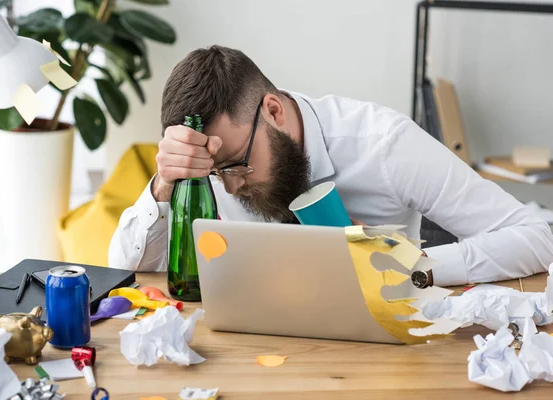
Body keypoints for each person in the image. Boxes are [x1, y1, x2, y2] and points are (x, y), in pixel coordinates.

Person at [108, 45, 553, 286]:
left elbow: (537, 237)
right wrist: (165, 184)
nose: (230, 188)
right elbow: (126, 268)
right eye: (211, 172)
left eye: (236, 165)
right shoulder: (214, 175)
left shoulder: (382, 144)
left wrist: (412, 267)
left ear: (274, 112)